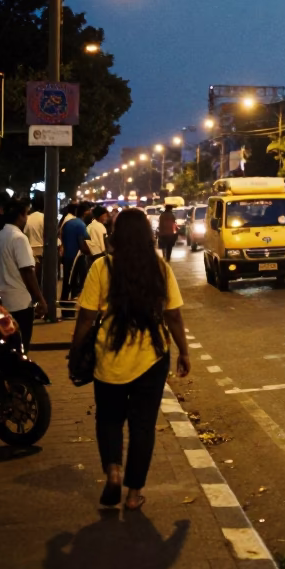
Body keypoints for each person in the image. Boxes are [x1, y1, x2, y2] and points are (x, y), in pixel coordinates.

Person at [69, 208, 191, 511]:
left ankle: (113, 470)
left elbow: (86, 318)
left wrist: (75, 351)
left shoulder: (101, 268)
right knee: (143, 426)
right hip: (151, 359)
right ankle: (134, 493)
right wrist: (184, 351)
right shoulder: (160, 268)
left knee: (108, 420)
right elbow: (173, 315)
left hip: (109, 357)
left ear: (117, 235)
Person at [0, 199, 48, 350]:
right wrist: (40, 299)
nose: (27, 218)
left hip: (2, 301)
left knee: (6, 348)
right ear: (21, 216)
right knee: (21, 347)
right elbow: (28, 271)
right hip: (20, 303)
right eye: (26, 214)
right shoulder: (19, 238)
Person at [61, 202, 94, 301]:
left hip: (67, 257)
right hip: (77, 259)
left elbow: (62, 238)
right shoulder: (81, 225)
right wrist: (90, 253)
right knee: (76, 285)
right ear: (85, 213)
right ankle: (71, 308)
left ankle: (64, 308)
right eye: (89, 211)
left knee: (66, 283)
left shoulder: (68, 223)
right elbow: (82, 244)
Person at [25, 192, 45, 284]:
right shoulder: (45, 218)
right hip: (42, 251)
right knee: (41, 279)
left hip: (29, 251)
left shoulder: (27, 218)